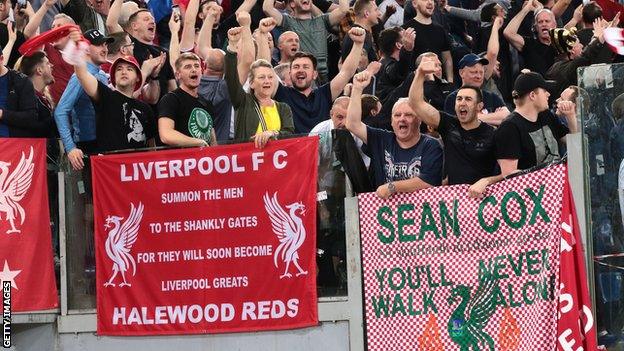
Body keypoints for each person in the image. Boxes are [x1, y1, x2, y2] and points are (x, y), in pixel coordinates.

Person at [408, 55, 499, 196]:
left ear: (479, 106)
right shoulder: (448, 124)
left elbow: (509, 173)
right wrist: (420, 73)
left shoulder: (493, 134)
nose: (462, 103)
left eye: (468, 99)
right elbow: (415, 103)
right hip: (456, 203)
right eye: (459, 99)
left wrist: (486, 181)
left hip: (485, 201)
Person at [346, 70, 443, 198]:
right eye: (397, 115)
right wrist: (357, 89)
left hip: (421, 214)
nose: (402, 119)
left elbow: (429, 181)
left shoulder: (431, 145)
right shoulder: (382, 139)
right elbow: (352, 124)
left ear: (419, 120)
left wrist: (393, 187)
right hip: (387, 214)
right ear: (391, 121)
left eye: (408, 115)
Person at [69, 27, 156, 152]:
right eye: (119, 69)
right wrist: (78, 47)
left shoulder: (145, 109)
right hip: (111, 168)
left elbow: (151, 145)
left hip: (138, 168)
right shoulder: (106, 96)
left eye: (129, 69)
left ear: (138, 78)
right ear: (114, 77)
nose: (123, 71)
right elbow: (82, 74)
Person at [274, 27, 369, 133]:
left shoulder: (323, 94)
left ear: (314, 74)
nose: (300, 70)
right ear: (290, 73)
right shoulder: (282, 93)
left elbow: (346, 72)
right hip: (294, 148)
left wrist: (358, 44)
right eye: (296, 67)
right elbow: (260, 71)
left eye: (305, 67)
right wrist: (263, 35)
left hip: (324, 148)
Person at [495, 72, 578, 176]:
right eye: (544, 91)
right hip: (534, 189)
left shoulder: (546, 115)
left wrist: (570, 116)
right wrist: (548, 175)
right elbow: (509, 174)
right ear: (532, 95)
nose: (548, 94)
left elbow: (574, 143)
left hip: (558, 183)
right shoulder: (509, 127)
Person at [225, 27, 294, 147]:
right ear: (251, 83)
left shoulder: (283, 108)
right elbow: (231, 79)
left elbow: (289, 133)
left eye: (270, 77)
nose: (267, 81)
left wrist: (272, 134)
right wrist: (232, 47)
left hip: (275, 162)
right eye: (262, 77)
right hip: (249, 162)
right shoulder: (242, 102)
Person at [54, 28, 112, 171]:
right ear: (86, 49)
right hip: (88, 146)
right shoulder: (78, 77)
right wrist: (71, 147)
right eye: (99, 44)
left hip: (105, 143)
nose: (105, 49)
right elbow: (60, 111)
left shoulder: (103, 75)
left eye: (106, 44)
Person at [262, 0, 349, 82]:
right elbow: (267, 8)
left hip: (322, 78)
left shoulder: (322, 20)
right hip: (300, 77)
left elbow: (343, 10)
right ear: (292, 3)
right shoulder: (288, 22)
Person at [158, 52, 217, 147]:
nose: (194, 69)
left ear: (201, 72)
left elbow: (212, 140)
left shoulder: (207, 103)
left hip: (204, 160)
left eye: (197, 66)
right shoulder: (170, 99)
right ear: (178, 75)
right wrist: (197, 142)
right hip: (181, 160)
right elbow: (166, 135)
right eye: (188, 67)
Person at [546, 22, 613, 100]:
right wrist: (597, 37)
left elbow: (586, 56)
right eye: (579, 43)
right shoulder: (567, 68)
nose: (582, 46)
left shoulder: (555, 67)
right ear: (571, 50)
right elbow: (585, 57)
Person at [444, 53, 509, 126]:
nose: (479, 76)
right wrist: (494, 116)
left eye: (481, 72)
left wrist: (473, 117)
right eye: (473, 72)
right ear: (461, 73)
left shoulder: (492, 97)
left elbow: (506, 117)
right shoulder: (453, 99)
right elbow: (456, 125)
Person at [402, 0, 453, 83]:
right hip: (415, 83)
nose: (430, 2)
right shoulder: (407, 30)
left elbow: (447, 58)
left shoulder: (440, 30)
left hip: (438, 84)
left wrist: (450, 81)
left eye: (432, 0)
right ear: (415, 4)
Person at [503, 0, 558, 76]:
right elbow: (508, 33)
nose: (544, 24)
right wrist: (526, 9)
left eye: (547, 21)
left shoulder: (561, 44)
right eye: (540, 22)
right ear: (535, 27)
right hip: (535, 86)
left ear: (554, 25)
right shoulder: (530, 44)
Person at [16, 51, 57, 139]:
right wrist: (57, 117)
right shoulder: (26, 99)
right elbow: (31, 128)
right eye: (47, 63)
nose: (52, 65)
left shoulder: (43, 97)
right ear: (39, 70)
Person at [0, 49, 38, 137]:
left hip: (12, 143)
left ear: (1, 59)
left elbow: (31, 117)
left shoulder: (21, 81)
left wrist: (2, 114)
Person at [375, 26, 415, 103]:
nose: (410, 39)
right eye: (405, 38)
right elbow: (398, 73)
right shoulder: (387, 66)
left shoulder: (382, 64)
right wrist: (407, 50)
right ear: (399, 45)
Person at [341, 0, 381, 65]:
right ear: (366, 13)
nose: (379, 13)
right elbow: (362, 68)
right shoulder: (359, 35)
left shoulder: (357, 32)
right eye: (376, 10)